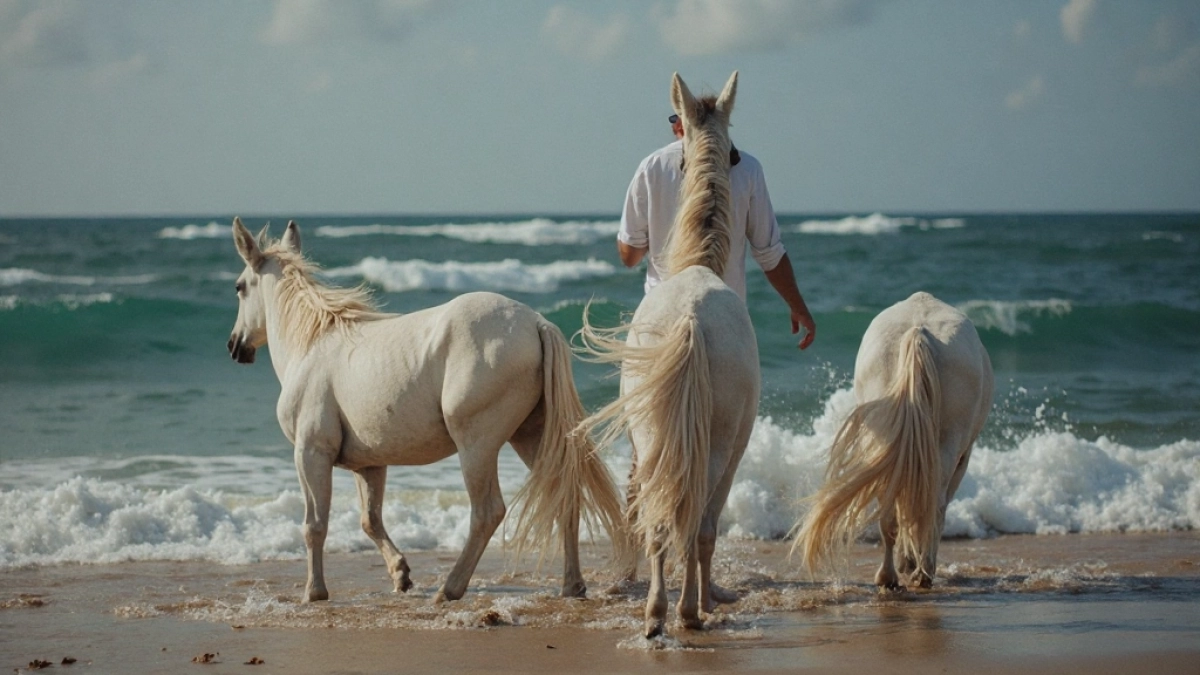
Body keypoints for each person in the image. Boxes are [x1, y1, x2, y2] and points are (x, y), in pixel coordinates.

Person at [617, 112, 817, 349]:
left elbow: (630, 256)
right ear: (723, 125)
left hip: (661, 317)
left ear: (679, 126)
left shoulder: (651, 166)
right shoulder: (748, 169)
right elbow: (769, 254)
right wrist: (798, 306)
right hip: (726, 313)